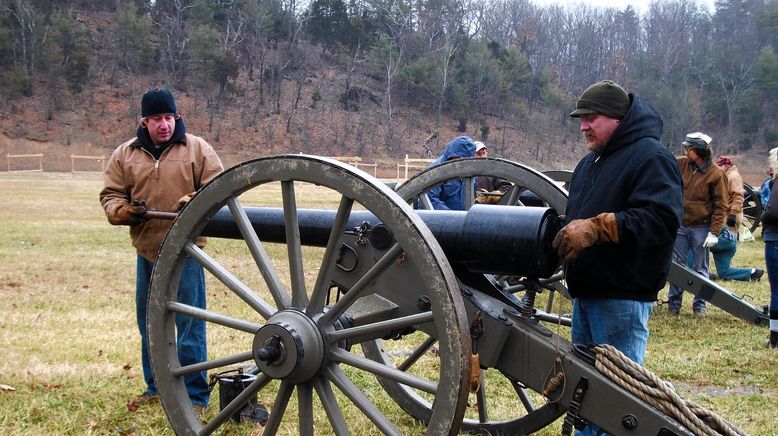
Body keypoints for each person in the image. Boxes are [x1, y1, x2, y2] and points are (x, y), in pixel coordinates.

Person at [100, 88, 224, 409]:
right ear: (144, 121)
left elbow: (219, 190)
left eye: (169, 117)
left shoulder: (197, 149)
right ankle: (155, 387)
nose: (164, 124)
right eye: (157, 119)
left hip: (186, 253)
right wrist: (123, 211)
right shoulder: (125, 154)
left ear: (176, 118)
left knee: (190, 326)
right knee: (150, 323)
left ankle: (195, 395)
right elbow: (111, 195)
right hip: (147, 253)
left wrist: (191, 202)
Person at [552, 80, 682, 364]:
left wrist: (596, 228)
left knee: (617, 394)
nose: (583, 127)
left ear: (617, 119)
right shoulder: (589, 163)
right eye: (580, 119)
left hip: (622, 297)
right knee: (584, 391)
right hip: (586, 292)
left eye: (590, 118)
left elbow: (660, 221)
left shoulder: (651, 157)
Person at [667, 132, 729, 316]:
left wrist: (714, 232)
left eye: (689, 148)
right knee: (677, 266)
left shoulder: (716, 174)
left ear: (699, 151)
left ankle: (699, 305)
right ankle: (674, 304)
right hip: (680, 224)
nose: (685, 151)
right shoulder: (680, 164)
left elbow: (721, 205)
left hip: (701, 227)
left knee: (701, 269)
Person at [709, 156, 763, 282]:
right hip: (729, 220)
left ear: (725, 165)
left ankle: (696, 272)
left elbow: (738, 196)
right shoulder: (728, 175)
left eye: (719, 166)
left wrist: (732, 215)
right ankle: (752, 273)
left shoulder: (733, 176)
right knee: (725, 269)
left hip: (731, 216)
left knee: (699, 243)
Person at [759, 148, 778, 348]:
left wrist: (763, 216)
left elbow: (773, 212)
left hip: (775, 239)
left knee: (777, 290)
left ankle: (775, 337)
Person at [426, 135, 476, 210]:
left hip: (463, 218)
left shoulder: (468, 168)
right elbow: (430, 199)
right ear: (455, 155)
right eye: (463, 159)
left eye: (468, 159)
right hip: (439, 219)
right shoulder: (436, 170)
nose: (465, 162)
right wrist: (451, 216)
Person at [709, 215, 764, 281]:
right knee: (724, 272)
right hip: (730, 241)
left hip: (722, 240)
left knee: (698, 245)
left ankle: (700, 273)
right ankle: (753, 272)